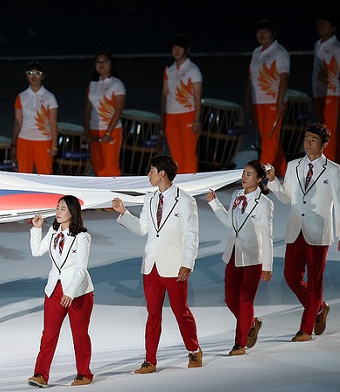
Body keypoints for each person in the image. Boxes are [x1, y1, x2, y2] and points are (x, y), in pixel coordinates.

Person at [112, 154, 202, 373]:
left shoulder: (186, 200)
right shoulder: (150, 199)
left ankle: (194, 349)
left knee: (181, 311)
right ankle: (150, 360)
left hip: (175, 266)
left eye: (151, 170)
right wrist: (124, 213)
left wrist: (187, 263)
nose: (148, 175)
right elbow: (143, 228)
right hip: (151, 266)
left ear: (162, 173)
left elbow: (192, 235)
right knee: (153, 314)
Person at [265, 123, 340, 342]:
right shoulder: (293, 165)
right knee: (290, 277)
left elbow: (339, 202)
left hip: (319, 233)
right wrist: (273, 181)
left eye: (313, 140)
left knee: (315, 282)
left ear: (324, 144)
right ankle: (319, 307)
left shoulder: (334, 170)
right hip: (295, 229)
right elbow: (287, 197)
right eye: (306, 138)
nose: (308, 143)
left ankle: (306, 329)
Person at [206, 160, 274, 355]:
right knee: (229, 299)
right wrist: (213, 202)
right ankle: (251, 323)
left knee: (246, 300)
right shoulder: (236, 195)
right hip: (234, 252)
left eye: (249, 174)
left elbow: (267, 235)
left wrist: (267, 265)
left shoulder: (264, 204)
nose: (244, 177)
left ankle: (240, 343)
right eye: (244, 173)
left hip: (254, 256)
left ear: (260, 179)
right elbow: (229, 222)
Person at [27, 195, 94, 388]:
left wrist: (70, 293)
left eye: (62, 208)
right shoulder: (54, 230)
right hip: (54, 290)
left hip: (78, 292)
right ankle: (40, 374)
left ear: (72, 212)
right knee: (48, 334)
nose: (58, 211)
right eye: (57, 208)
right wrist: (37, 229)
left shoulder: (83, 237)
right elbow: (36, 251)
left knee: (79, 334)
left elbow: (81, 268)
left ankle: (84, 374)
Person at [246, 19, 290, 177]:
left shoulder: (280, 52)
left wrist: (280, 101)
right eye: (259, 31)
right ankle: (284, 172)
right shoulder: (257, 52)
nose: (262, 34)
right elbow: (251, 78)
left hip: (273, 101)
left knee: (269, 140)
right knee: (268, 138)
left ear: (273, 34)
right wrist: (248, 99)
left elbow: (284, 77)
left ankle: (260, 177)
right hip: (259, 102)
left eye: (265, 31)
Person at [161, 35, 203, 174]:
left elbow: (197, 97)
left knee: (188, 152)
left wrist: (196, 120)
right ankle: (179, 182)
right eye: (174, 48)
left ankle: (192, 186)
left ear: (187, 50)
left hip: (188, 114)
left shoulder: (193, 70)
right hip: (171, 115)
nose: (176, 50)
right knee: (176, 154)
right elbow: (165, 94)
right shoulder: (169, 69)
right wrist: (163, 118)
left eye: (180, 48)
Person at [83, 51, 126, 176]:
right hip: (94, 129)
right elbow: (87, 110)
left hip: (111, 130)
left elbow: (118, 110)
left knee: (111, 168)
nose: (101, 64)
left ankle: (114, 195)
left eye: (104, 61)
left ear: (110, 64)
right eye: (98, 62)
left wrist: (108, 132)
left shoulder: (117, 84)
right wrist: (86, 131)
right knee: (98, 167)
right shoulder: (92, 85)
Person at [12, 62, 59, 174]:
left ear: (42, 76)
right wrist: (14, 143)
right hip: (24, 140)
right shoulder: (21, 96)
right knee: (23, 174)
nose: (33, 76)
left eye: (37, 73)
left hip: (43, 141)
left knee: (45, 174)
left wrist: (54, 146)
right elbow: (18, 121)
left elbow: (53, 123)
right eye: (30, 73)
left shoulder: (49, 97)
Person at [312, 12, 340, 161]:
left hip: (332, 92)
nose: (320, 26)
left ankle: (330, 162)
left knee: (329, 129)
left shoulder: (336, 47)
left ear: (333, 28)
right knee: (323, 127)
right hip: (319, 92)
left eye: (324, 24)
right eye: (319, 23)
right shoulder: (317, 45)